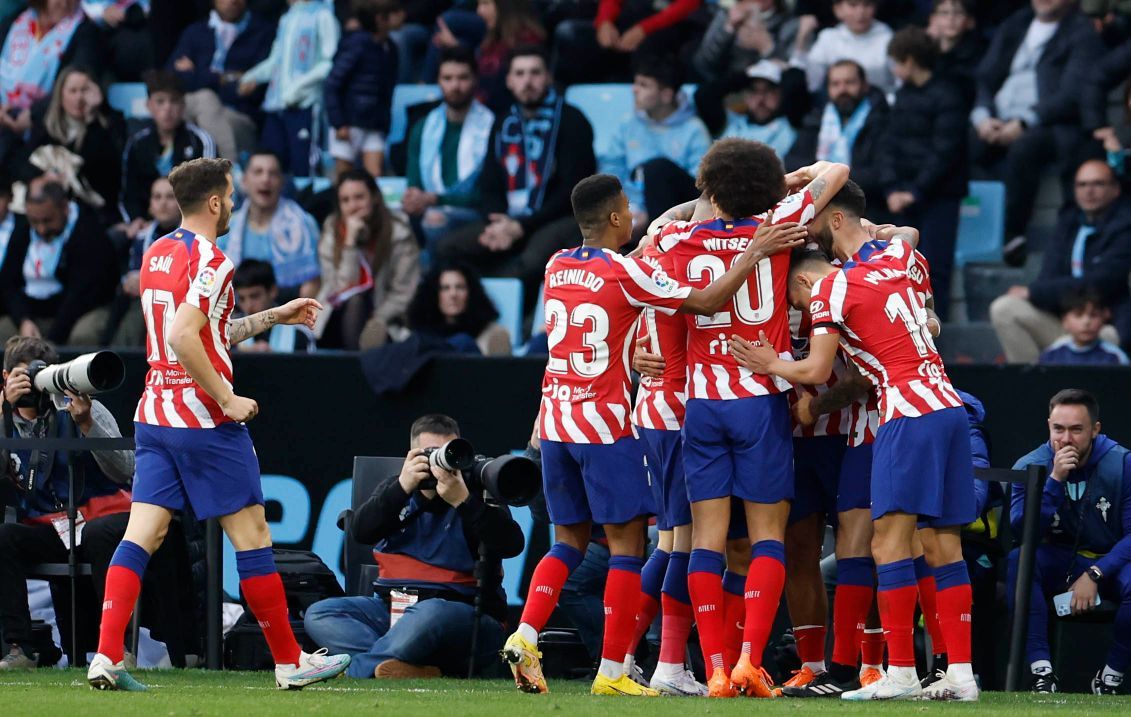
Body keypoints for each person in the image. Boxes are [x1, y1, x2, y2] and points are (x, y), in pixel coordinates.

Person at [500, 172, 808, 697]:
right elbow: (706, 302)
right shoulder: (630, 272)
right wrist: (753, 250)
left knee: (573, 540)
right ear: (617, 217)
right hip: (616, 423)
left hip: (555, 421)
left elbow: (650, 261)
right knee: (636, 547)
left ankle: (528, 633)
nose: (637, 214)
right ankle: (623, 669)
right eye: (627, 206)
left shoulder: (556, 266)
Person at [86, 157, 350, 691]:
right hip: (202, 420)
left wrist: (275, 315)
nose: (232, 204)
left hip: (155, 412)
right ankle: (289, 662)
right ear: (214, 202)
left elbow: (206, 335)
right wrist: (226, 397)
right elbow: (187, 336)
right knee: (252, 536)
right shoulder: (215, 261)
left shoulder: (157, 252)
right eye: (229, 196)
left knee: (143, 534)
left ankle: (106, 656)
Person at [732, 240, 978, 702]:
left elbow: (819, 365)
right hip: (947, 405)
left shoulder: (831, 289)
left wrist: (770, 364)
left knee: (887, 544)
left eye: (797, 299)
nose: (802, 310)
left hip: (904, 413)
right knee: (945, 543)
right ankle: (960, 675)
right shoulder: (890, 265)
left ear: (805, 281)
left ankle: (898, 672)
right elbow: (904, 239)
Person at [645, 146, 847, 699]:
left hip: (701, 404)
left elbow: (654, 234)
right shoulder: (779, 224)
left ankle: (712, 668)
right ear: (764, 188)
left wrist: (714, 199)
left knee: (704, 541)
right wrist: (785, 183)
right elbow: (838, 172)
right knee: (766, 538)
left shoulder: (676, 240)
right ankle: (748, 662)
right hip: (758, 400)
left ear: (709, 186)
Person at [305, 414, 524, 677]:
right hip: (392, 609)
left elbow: (512, 544)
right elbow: (361, 532)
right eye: (432, 453)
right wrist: (401, 488)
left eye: (450, 453)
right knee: (321, 613)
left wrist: (463, 502)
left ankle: (358, 669)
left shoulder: (476, 492)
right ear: (411, 455)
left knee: (429, 613)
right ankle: (400, 667)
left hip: (461, 614)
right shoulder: (396, 489)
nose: (442, 464)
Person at [433, 48, 596, 298]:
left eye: (535, 73)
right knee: (447, 248)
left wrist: (521, 226)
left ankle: (514, 327)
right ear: (509, 80)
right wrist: (498, 222)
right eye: (519, 74)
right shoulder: (503, 122)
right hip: (509, 220)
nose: (527, 82)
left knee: (527, 264)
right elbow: (489, 184)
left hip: (553, 219)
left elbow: (573, 193)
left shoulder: (573, 121)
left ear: (548, 78)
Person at [1007, 389, 1131, 696]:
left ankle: (1110, 677)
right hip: (1058, 559)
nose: (1065, 439)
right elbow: (1023, 532)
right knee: (1019, 560)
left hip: (1109, 560)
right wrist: (1054, 481)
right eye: (1058, 429)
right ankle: (1042, 674)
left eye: (1076, 430)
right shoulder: (1030, 465)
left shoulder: (1122, 463)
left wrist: (1095, 574)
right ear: (1048, 425)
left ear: (1095, 429)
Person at [969, 0, 1103, 265]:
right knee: (966, 145)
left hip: (1049, 123)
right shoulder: (1016, 24)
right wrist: (982, 116)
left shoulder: (1082, 31)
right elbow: (986, 76)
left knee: (1025, 148)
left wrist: (1025, 122)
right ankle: (978, 234)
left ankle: (1013, 233)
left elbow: (1072, 93)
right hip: (997, 116)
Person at [990, 159, 1131, 363]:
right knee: (1004, 308)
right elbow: (1047, 275)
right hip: (1063, 322)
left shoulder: (1125, 228)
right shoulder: (1068, 223)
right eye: (1082, 185)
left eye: (1098, 184)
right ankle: (1034, 385)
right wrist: (1064, 315)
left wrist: (1034, 293)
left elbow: (1100, 283)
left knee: (1107, 337)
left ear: (1116, 189)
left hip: (1103, 326)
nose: (1089, 191)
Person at [877, 25, 968, 320]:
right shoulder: (902, 96)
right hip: (902, 195)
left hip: (939, 197)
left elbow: (946, 153)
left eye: (896, 61)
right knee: (899, 264)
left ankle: (933, 330)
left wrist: (915, 192)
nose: (893, 68)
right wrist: (892, 188)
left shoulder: (949, 96)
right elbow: (887, 144)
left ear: (910, 61)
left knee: (935, 265)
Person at [600, 55, 711, 236]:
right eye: (635, 83)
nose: (634, 90)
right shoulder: (628, 124)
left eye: (644, 85)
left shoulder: (693, 130)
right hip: (629, 212)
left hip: (676, 218)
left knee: (657, 169)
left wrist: (650, 216)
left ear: (666, 94)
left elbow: (700, 189)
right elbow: (611, 170)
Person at [0, 177, 118, 346]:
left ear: (64, 207)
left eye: (47, 220)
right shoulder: (23, 230)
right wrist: (23, 320)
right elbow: (8, 283)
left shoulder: (88, 233)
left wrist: (50, 340)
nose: (41, 229)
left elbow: (81, 294)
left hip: (79, 311)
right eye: (35, 221)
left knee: (83, 336)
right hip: (32, 313)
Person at [402, 46, 495, 252]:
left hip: (473, 213)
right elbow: (414, 183)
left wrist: (436, 199)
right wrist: (413, 198)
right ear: (438, 80)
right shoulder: (423, 127)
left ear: (475, 80)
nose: (455, 86)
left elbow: (487, 195)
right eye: (448, 78)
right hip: (429, 208)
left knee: (434, 221)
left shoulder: (492, 127)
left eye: (463, 78)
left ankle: (436, 282)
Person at [316, 169, 419, 350]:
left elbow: (403, 292)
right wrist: (350, 244)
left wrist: (377, 319)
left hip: (384, 318)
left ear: (374, 198)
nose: (353, 206)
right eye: (345, 200)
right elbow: (341, 289)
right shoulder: (332, 230)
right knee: (354, 301)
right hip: (336, 316)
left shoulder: (399, 232)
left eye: (359, 197)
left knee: (373, 331)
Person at [239, 0, 340, 177]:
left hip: (304, 105)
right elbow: (276, 61)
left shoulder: (323, 16)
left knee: (304, 169)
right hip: (276, 105)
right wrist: (252, 76)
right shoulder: (287, 18)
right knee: (271, 166)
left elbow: (329, 62)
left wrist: (298, 88)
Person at [19, 66, 127, 228]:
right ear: (61, 94)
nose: (79, 98)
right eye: (73, 91)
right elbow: (25, 165)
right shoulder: (46, 126)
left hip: (96, 212)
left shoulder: (111, 125)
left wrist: (92, 118)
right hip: (52, 206)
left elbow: (102, 171)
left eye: (84, 90)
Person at [168, 0, 277, 161]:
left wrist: (196, 74)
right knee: (174, 105)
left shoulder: (264, 32)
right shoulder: (195, 32)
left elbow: (254, 91)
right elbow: (172, 78)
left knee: (205, 99)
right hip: (193, 107)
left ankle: (226, 173)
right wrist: (223, 79)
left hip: (239, 116)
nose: (232, 1)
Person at [0, 0, 99, 159]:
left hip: (48, 124)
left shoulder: (86, 32)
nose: (65, 3)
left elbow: (76, 85)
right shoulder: (15, 22)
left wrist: (32, 115)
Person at [785, 60, 888, 210]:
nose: (843, 89)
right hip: (819, 205)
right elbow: (792, 160)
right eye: (835, 84)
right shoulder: (816, 120)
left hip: (867, 205)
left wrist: (831, 179)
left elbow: (880, 173)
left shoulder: (880, 120)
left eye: (849, 82)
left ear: (865, 86)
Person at [119, 70, 217, 224]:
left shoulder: (200, 141)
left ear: (183, 105)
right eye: (160, 101)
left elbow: (208, 190)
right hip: (147, 223)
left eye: (174, 101)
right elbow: (129, 193)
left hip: (190, 224)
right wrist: (135, 220)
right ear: (149, 105)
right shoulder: (137, 144)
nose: (167, 108)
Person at [221, 151, 321, 298]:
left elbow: (312, 283)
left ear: (282, 182)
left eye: (273, 173)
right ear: (244, 181)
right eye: (258, 172)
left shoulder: (304, 223)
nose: (266, 179)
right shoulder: (225, 228)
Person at [324, 0, 400, 179]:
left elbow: (387, 91)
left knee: (375, 177)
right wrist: (339, 123)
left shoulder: (391, 49)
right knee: (344, 178)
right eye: (395, 12)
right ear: (381, 19)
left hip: (374, 124)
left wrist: (384, 122)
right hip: (349, 122)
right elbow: (332, 85)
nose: (402, 15)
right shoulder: (356, 45)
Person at [105, 176, 182, 347]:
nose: (163, 203)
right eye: (157, 197)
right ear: (150, 206)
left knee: (135, 322)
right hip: (140, 299)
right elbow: (133, 274)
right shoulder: (142, 237)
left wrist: (146, 282)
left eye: (170, 197)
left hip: (176, 306)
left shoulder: (193, 238)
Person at [791, 0, 894, 95]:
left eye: (867, 5)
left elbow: (898, 84)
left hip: (881, 105)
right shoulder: (828, 37)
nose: (861, 12)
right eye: (853, 5)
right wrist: (802, 38)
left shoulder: (888, 38)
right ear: (838, 9)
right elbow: (812, 82)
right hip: (837, 104)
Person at [405, 263, 510, 356]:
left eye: (460, 287)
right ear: (433, 294)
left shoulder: (492, 334)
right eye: (445, 288)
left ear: (471, 293)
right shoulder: (420, 336)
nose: (453, 294)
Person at [692, 0, 799, 83]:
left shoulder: (789, 24)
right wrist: (728, 29)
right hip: (729, 87)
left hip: (770, 90)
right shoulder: (726, 15)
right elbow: (703, 64)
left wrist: (767, 48)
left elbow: (792, 75)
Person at [470, 0, 545, 113]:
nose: (479, 11)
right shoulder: (489, 42)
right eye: (479, 5)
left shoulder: (528, 41)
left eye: (485, 3)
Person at [716, 61, 798, 161]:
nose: (760, 99)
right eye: (754, 91)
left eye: (768, 91)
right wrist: (744, 74)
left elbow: (798, 86)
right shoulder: (731, 121)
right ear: (745, 96)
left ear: (779, 94)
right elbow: (705, 95)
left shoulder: (791, 124)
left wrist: (789, 68)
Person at [233, 259, 317, 353]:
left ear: (273, 291)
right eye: (242, 299)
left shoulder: (299, 332)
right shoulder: (227, 333)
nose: (248, 305)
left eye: (254, 296)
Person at [1039, 289, 1130, 365]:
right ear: (1064, 321)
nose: (1086, 322)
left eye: (1093, 315)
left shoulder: (1115, 357)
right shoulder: (1051, 356)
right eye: (1078, 315)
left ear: (1103, 320)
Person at [926, 0, 984, 106]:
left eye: (958, 13)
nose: (951, 19)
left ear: (970, 21)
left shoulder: (979, 54)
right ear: (933, 19)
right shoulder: (924, 50)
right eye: (944, 13)